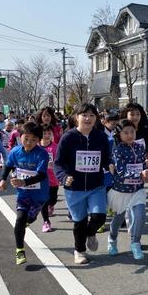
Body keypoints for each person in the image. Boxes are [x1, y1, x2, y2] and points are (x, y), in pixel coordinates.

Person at [54, 103, 111, 265]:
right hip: (74, 188)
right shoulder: (68, 137)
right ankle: (79, 251)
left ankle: (91, 233)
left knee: (99, 217)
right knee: (79, 222)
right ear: (76, 117)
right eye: (84, 115)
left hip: (96, 186)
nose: (88, 118)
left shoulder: (101, 137)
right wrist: (64, 177)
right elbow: (58, 163)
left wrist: (110, 165)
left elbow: (106, 158)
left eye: (92, 115)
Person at [0, 122, 49, 265]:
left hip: (39, 195)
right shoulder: (15, 151)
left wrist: (24, 182)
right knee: (20, 219)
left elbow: (41, 175)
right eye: (26, 138)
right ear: (20, 137)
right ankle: (19, 250)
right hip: (23, 194)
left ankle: (28, 221)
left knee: (30, 219)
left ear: (38, 140)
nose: (29, 142)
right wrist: (3, 179)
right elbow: (8, 166)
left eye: (33, 140)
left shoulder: (42, 154)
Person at [107, 119, 148, 259]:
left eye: (132, 131)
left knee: (140, 215)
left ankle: (135, 243)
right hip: (121, 190)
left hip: (137, 189)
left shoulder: (139, 147)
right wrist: (139, 173)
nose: (130, 135)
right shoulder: (117, 149)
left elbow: (141, 165)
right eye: (126, 132)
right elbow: (121, 171)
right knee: (118, 219)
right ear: (119, 134)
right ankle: (112, 239)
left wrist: (146, 167)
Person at [39, 124, 60, 232]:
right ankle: (46, 222)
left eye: (49, 133)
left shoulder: (55, 147)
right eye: (44, 133)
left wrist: (55, 165)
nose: (46, 135)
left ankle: (51, 205)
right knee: (44, 200)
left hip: (53, 178)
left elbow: (60, 161)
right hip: (41, 179)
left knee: (53, 198)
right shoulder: (36, 147)